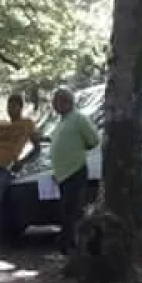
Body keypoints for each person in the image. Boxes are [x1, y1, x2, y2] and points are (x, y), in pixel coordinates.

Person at [0, 94, 40, 238]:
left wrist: (22, 162)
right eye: (9, 106)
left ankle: (0, 233)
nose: (10, 109)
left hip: (5, 166)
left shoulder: (27, 124)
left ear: (20, 107)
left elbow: (37, 148)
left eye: (14, 106)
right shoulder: (1, 125)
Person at [48, 86, 100, 253]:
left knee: (74, 210)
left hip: (75, 171)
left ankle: (73, 244)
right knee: (66, 210)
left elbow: (93, 140)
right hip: (63, 174)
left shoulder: (79, 118)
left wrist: (78, 150)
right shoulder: (62, 121)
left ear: (66, 102)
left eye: (56, 102)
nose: (54, 105)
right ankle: (68, 243)